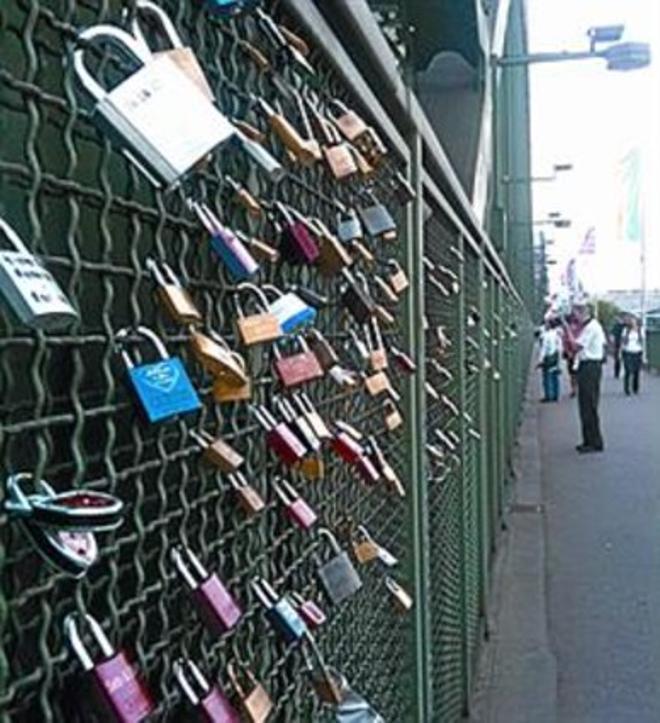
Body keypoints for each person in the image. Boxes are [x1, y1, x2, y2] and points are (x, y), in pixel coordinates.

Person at [573, 302, 606, 453]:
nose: (576, 318)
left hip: (590, 366)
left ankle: (594, 441)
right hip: (589, 366)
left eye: (576, 314)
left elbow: (576, 346)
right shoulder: (593, 327)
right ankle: (589, 439)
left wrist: (567, 332)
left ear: (582, 313)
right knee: (586, 404)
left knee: (589, 404)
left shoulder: (591, 328)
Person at [537, 318, 562, 402]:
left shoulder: (546, 335)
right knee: (555, 376)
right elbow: (560, 348)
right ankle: (555, 395)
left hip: (548, 358)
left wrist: (540, 360)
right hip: (555, 357)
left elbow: (544, 349)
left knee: (547, 378)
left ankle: (548, 396)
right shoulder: (557, 335)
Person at [561, 311, 582, 398]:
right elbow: (565, 342)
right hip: (572, 353)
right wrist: (568, 351)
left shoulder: (580, 329)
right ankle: (574, 389)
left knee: (575, 373)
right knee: (573, 373)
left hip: (577, 353)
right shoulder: (568, 330)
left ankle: (575, 388)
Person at [621, 315, 643, 395]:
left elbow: (642, 342)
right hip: (628, 352)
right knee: (628, 370)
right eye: (632, 321)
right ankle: (627, 389)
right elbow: (623, 341)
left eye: (635, 321)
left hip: (637, 352)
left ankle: (635, 388)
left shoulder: (640, 331)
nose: (633, 322)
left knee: (636, 371)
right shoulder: (626, 330)